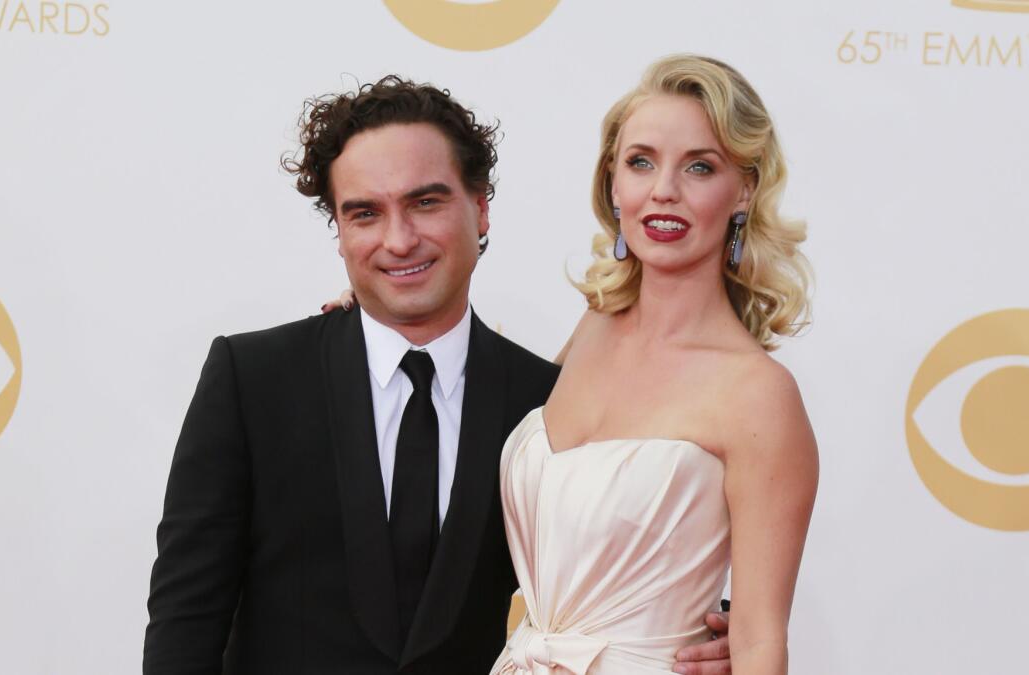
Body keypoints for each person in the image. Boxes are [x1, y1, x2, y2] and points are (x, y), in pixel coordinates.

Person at [143, 76, 732, 675]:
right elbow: (184, 619)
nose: (399, 240)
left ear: (479, 209)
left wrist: (703, 628)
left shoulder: (543, 404)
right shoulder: (254, 380)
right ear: (340, 232)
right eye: (365, 213)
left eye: (425, 203)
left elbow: (610, 552)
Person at [489, 55, 818, 675]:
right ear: (613, 183)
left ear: (744, 190)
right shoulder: (592, 327)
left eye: (700, 166)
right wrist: (381, 327)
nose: (664, 189)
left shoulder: (758, 394)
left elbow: (757, 641)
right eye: (641, 161)